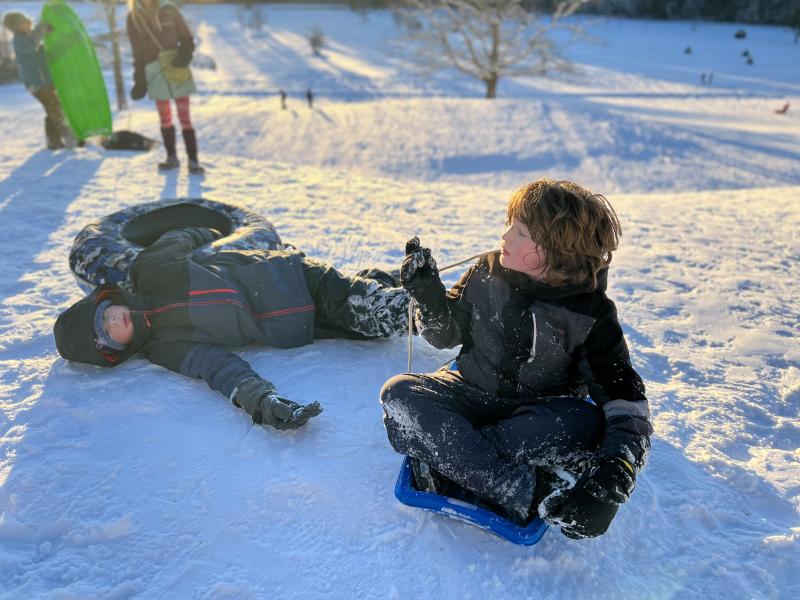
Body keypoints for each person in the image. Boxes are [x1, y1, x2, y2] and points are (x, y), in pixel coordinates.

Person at [380, 179, 652, 539]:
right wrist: (430, 297)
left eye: (520, 231)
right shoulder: (487, 271)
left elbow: (627, 404)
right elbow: (447, 335)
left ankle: (453, 457)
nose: (505, 235)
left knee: (588, 425)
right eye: (509, 223)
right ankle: (529, 490)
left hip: (539, 413)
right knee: (399, 395)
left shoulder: (590, 314)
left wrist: (611, 481)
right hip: (471, 390)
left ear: (556, 250)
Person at [54, 227, 410, 431]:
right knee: (371, 331)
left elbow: (182, 234)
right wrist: (261, 400)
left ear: (105, 301)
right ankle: (380, 282)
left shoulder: (151, 270)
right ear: (112, 351)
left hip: (293, 275)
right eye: (105, 332)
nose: (113, 322)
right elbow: (216, 367)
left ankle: (434, 311)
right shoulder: (165, 347)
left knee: (374, 311)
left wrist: (211, 233)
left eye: (104, 315)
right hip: (298, 326)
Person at [126, 0, 204, 174]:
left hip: (175, 66)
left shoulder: (169, 8)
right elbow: (137, 52)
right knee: (164, 118)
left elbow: (187, 39)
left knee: (185, 118)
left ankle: (193, 161)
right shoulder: (133, 17)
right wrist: (139, 80)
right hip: (153, 70)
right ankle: (171, 158)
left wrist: (184, 56)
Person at [2, 11, 75, 150]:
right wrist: (40, 30)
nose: (27, 23)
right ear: (16, 27)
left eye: (26, 20)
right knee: (55, 109)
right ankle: (69, 138)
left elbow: (50, 56)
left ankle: (54, 142)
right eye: (22, 22)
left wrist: (67, 43)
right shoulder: (20, 40)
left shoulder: (31, 40)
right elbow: (30, 46)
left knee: (52, 109)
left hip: (45, 82)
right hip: (37, 84)